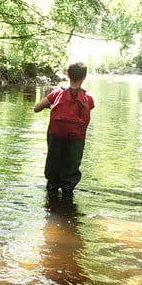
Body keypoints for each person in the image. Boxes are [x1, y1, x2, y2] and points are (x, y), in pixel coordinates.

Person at [33, 62, 95, 195]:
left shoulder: (56, 93)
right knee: (71, 168)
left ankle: (51, 194)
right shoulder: (88, 99)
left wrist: (50, 104)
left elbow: (36, 108)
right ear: (84, 77)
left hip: (56, 135)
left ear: (67, 75)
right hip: (76, 139)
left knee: (53, 165)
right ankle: (68, 198)